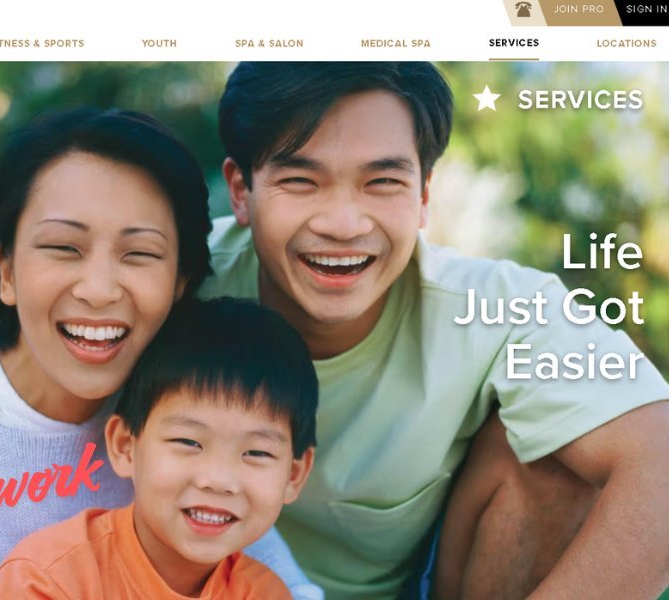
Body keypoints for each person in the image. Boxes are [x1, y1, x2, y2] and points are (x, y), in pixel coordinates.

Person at [201, 62, 669, 599]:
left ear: (423, 194)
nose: (343, 223)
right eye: (301, 181)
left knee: (553, 453)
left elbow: (660, 457)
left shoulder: (493, 307)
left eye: (382, 182)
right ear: (241, 190)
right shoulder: (171, 279)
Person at [0, 108, 318, 599]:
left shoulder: (183, 423)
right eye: (63, 248)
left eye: (139, 254)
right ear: (6, 271)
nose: (98, 290)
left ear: (180, 284)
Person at [0, 297, 318, 599]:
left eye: (257, 453)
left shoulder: (264, 594)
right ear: (125, 447)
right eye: (189, 442)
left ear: (294, 474)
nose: (217, 480)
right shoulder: (49, 578)